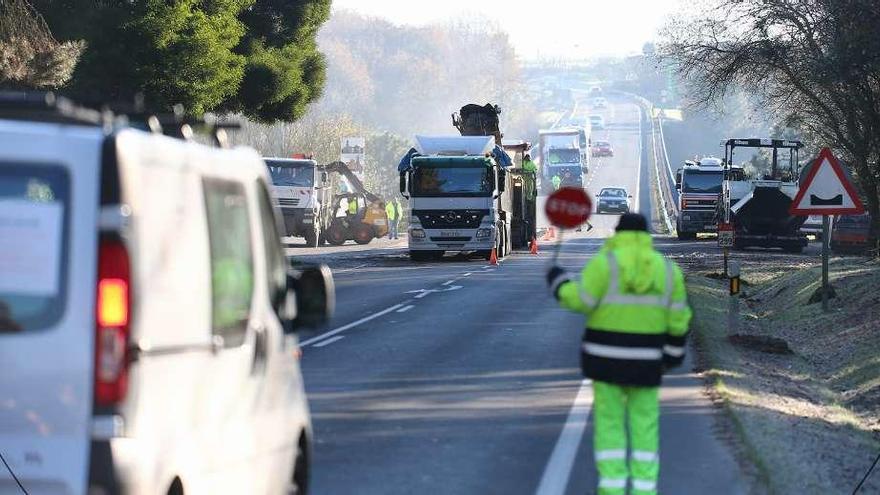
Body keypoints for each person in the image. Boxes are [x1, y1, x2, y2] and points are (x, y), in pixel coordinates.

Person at [545, 213, 691, 495]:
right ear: (646, 235)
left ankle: (611, 489)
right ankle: (644, 490)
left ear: (618, 233)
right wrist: (673, 356)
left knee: (609, 425)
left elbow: (580, 300)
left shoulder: (605, 264)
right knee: (644, 426)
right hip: (648, 363)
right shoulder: (667, 270)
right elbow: (679, 320)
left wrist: (559, 282)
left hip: (604, 362)